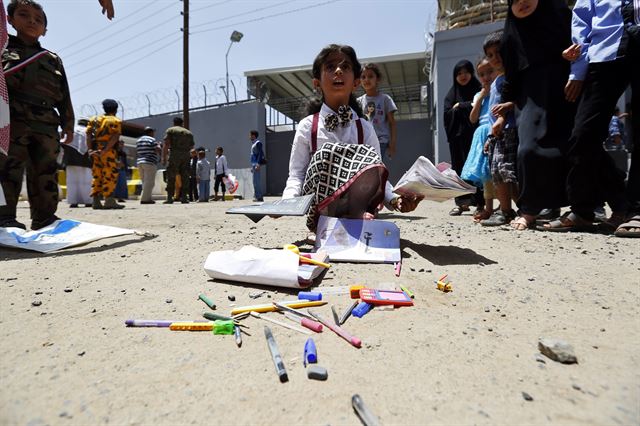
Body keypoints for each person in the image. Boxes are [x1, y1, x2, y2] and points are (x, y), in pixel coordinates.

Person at [282, 44, 420, 233]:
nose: (338, 70)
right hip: (322, 214)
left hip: (360, 207)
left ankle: (356, 216)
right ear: (317, 83)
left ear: (355, 82)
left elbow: (378, 176)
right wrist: (287, 202)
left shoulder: (365, 128)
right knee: (325, 156)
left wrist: (394, 200)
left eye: (345, 67)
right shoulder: (307, 127)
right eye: (330, 67)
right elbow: (297, 174)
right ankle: (342, 221)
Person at [542, 0, 638, 232]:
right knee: (583, 135)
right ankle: (584, 209)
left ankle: (636, 208)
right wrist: (577, 70)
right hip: (604, 54)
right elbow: (582, 23)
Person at [500, 0, 575, 231]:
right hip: (531, 98)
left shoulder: (561, 15)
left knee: (577, 147)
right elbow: (511, 77)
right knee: (528, 150)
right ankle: (530, 209)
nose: (523, 2)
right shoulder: (510, 36)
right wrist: (506, 105)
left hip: (569, 92)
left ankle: (591, 206)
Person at [0, 0, 75, 229]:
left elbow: (64, 95)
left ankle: (45, 218)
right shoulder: (3, 49)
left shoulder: (52, 58)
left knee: (46, 172)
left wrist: (68, 124)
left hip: (46, 124)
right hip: (12, 121)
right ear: (9, 20)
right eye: (24, 15)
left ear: (45, 29)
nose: (32, 21)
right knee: (8, 170)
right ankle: (5, 219)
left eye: (39, 19)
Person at [480, 30, 519, 227]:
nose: (495, 58)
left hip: (511, 131)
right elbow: (490, 116)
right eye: (490, 55)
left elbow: (523, 100)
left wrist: (509, 106)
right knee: (497, 173)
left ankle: (523, 209)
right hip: (496, 135)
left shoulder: (515, 76)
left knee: (508, 171)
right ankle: (506, 211)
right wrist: (489, 137)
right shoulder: (496, 83)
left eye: (499, 52)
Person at [443, 59, 483, 216]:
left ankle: (480, 203)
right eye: (459, 73)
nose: (463, 76)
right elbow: (446, 114)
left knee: (476, 169)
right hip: (457, 140)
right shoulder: (451, 94)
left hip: (474, 137)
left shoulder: (478, 89)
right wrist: (463, 107)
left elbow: (479, 106)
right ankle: (461, 204)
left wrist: (460, 106)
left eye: (466, 72)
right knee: (459, 171)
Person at [461, 57, 496, 222]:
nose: (486, 77)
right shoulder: (478, 95)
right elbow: (473, 118)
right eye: (482, 74)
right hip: (482, 134)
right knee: (485, 173)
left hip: (497, 130)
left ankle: (512, 206)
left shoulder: (501, 88)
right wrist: (481, 97)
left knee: (503, 171)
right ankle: (488, 208)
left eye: (490, 72)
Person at [86, 98, 123, 210]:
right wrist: (105, 150)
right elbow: (115, 137)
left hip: (95, 150)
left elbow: (88, 135)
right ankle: (109, 200)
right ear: (116, 109)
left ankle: (96, 201)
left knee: (97, 174)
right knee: (110, 175)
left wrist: (90, 150)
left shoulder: (94, 119)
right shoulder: (116, 121)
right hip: (108, 151)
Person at [358, 63, 398, 161]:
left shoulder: (385, 99)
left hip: (381, 141)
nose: (366, 79)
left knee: (375, 166)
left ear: (377, 79)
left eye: (370, 76)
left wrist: (392, 144)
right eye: (363, 77)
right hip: (364, 142)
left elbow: (392, 123)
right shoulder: (358, 101)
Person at [162, 116, 194, 204]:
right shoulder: (188, 133)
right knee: (185, 176)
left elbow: (166, 144)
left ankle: (169, 197)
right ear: (182, 123)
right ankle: (184, 197)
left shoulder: (171, 130)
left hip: (174, 155)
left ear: (174, 123)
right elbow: (191, 147)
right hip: (186, 155)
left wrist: (164, 157)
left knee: (171, 176)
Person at [62, 118, 92, 208]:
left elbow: (63, 143)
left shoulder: (71, 131)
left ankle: (73, 201)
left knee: (72, 182)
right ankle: (88, 201)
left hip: (70, 159)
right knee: (86, 181)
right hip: (85, 160)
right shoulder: (87, 131)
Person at [136, 126, 159, 204]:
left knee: (144, 181)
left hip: (140, 162)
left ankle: (147, 198)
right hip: (149, 162)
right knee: (150, 182)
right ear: (150, 132)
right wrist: (159, 146)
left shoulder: (139, 140)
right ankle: (145, 199)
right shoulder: (152, 139)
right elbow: (157, 149)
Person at [249, 130, 264, 202]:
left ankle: (259, 197)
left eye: (250, 135)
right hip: (254, 164)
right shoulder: (253, 144)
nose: (249, 137)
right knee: (255, 181)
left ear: (253, 135)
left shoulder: (258, 143)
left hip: (256, 164)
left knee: (257, 181)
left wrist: (258, 164)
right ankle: (258, 196)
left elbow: (260, 154)